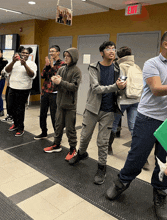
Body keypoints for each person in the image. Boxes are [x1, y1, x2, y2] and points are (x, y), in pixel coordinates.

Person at [106, 32, 167, 220]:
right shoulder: (152, 64)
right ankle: (121, 183)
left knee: (164, 163)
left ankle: (160, 194)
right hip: (148, 118)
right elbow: (156, 89)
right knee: (137, 157)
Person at [69, 41, 126, 185]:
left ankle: (102, 167)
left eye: (113, 48)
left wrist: (122, 88)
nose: (112, 51)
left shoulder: (118, 68)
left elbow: (121, 90)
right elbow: (96, 88)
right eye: (108, 49)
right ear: (102, 53)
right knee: (85, 136)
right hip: (92, 108)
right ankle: (81, 154)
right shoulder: (94, 67)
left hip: (109, 110)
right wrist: (115, 86)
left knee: (103, 141)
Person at [43, 47, 82, 161]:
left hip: (70, 106)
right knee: (58, 126)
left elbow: (74, 87)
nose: (66, 57)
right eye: (65, 55)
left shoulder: (76, 71)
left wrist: (61, 82)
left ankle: (73, 149)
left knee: (70, 129)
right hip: (59, 104)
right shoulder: (61, 69)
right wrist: (55, 81)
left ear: (74, 57)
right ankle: (56, 145)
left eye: (68, 56)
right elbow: (55, 86)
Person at [108, 46, 142, 155]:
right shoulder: (136, 66)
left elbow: (119, 84)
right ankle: (141, 155)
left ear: (119, 56)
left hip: (121, 101)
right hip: (135, 100)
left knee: (113, 124)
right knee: (133, 128)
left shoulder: (119, 66)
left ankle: (108, 147)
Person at [5, 46, 37, 137]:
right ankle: (15, 123)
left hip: (24, 89)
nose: (24, 54)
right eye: (23, 52)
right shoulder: (15, 62)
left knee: (20, 109)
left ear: (29, 54)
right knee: (11, 107)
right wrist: (13, 61)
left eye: (26, 53)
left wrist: (25, 65)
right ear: (20, 53)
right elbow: (7, 70)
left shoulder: (32, 64)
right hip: (12, 87)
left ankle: (20, 128)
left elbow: (32, 75)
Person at [34, 45, 64, 140]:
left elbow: (58, 75)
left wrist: (51, 66)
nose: (51, 53)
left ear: (58, 52)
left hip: (55, 93)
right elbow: (43, 75)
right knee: (42, 113)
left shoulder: (62, 64)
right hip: (45, 91)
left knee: (54, 115)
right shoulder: (48, 63)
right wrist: (47, 66)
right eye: (50, 51)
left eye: (53, 51)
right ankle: (43, 132)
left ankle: (57, 135)